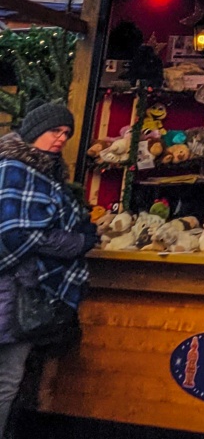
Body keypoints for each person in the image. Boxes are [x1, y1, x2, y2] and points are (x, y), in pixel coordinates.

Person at [0, 102, 94, 432]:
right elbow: (18, 233)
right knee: (6, 382)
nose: (61, 138)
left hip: (20, 291)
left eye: (67, 133)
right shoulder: (17, 169)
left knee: (9, 381)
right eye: (55, 130)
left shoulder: (43, 173)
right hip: (13, 289)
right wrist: (78, 242)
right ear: (35, 131)